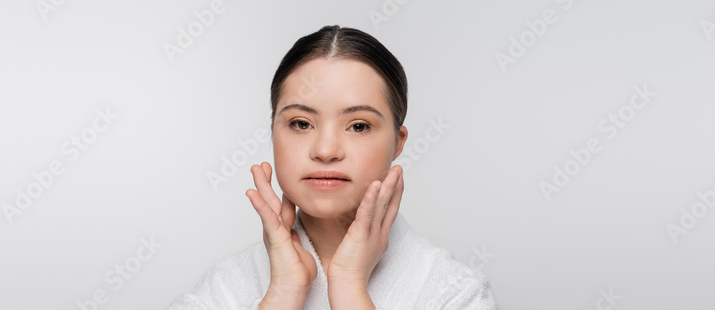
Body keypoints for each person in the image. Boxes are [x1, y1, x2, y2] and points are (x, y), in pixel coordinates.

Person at [169, 25, 496, 309]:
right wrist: (282, 295)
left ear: (398, 142)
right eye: (300, 123)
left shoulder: (455, 293)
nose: (325, 151)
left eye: (358, 126)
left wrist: (350, 287)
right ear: (272, 132)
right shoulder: (223, 288)